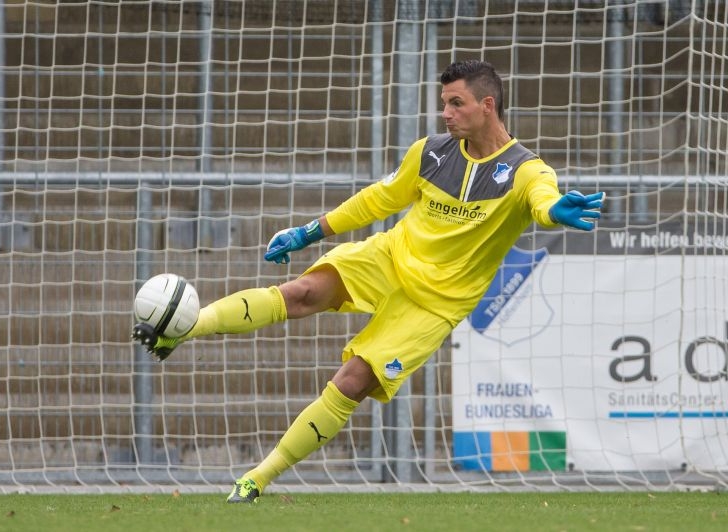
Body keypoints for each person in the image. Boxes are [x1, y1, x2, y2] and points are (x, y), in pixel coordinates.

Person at [132, 59, 605, 503]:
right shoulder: (430, 153)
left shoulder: (526, 170)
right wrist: (308, 232)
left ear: (488, 105)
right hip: (390, 258)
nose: (446, 113)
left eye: (456, 103)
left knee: (352, 381)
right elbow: (378, 200)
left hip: (434, 305)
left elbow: (543, 197)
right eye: (443, 103)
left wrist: (552, 211)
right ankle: (183, 329)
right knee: (300, 292)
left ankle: (257, 478)